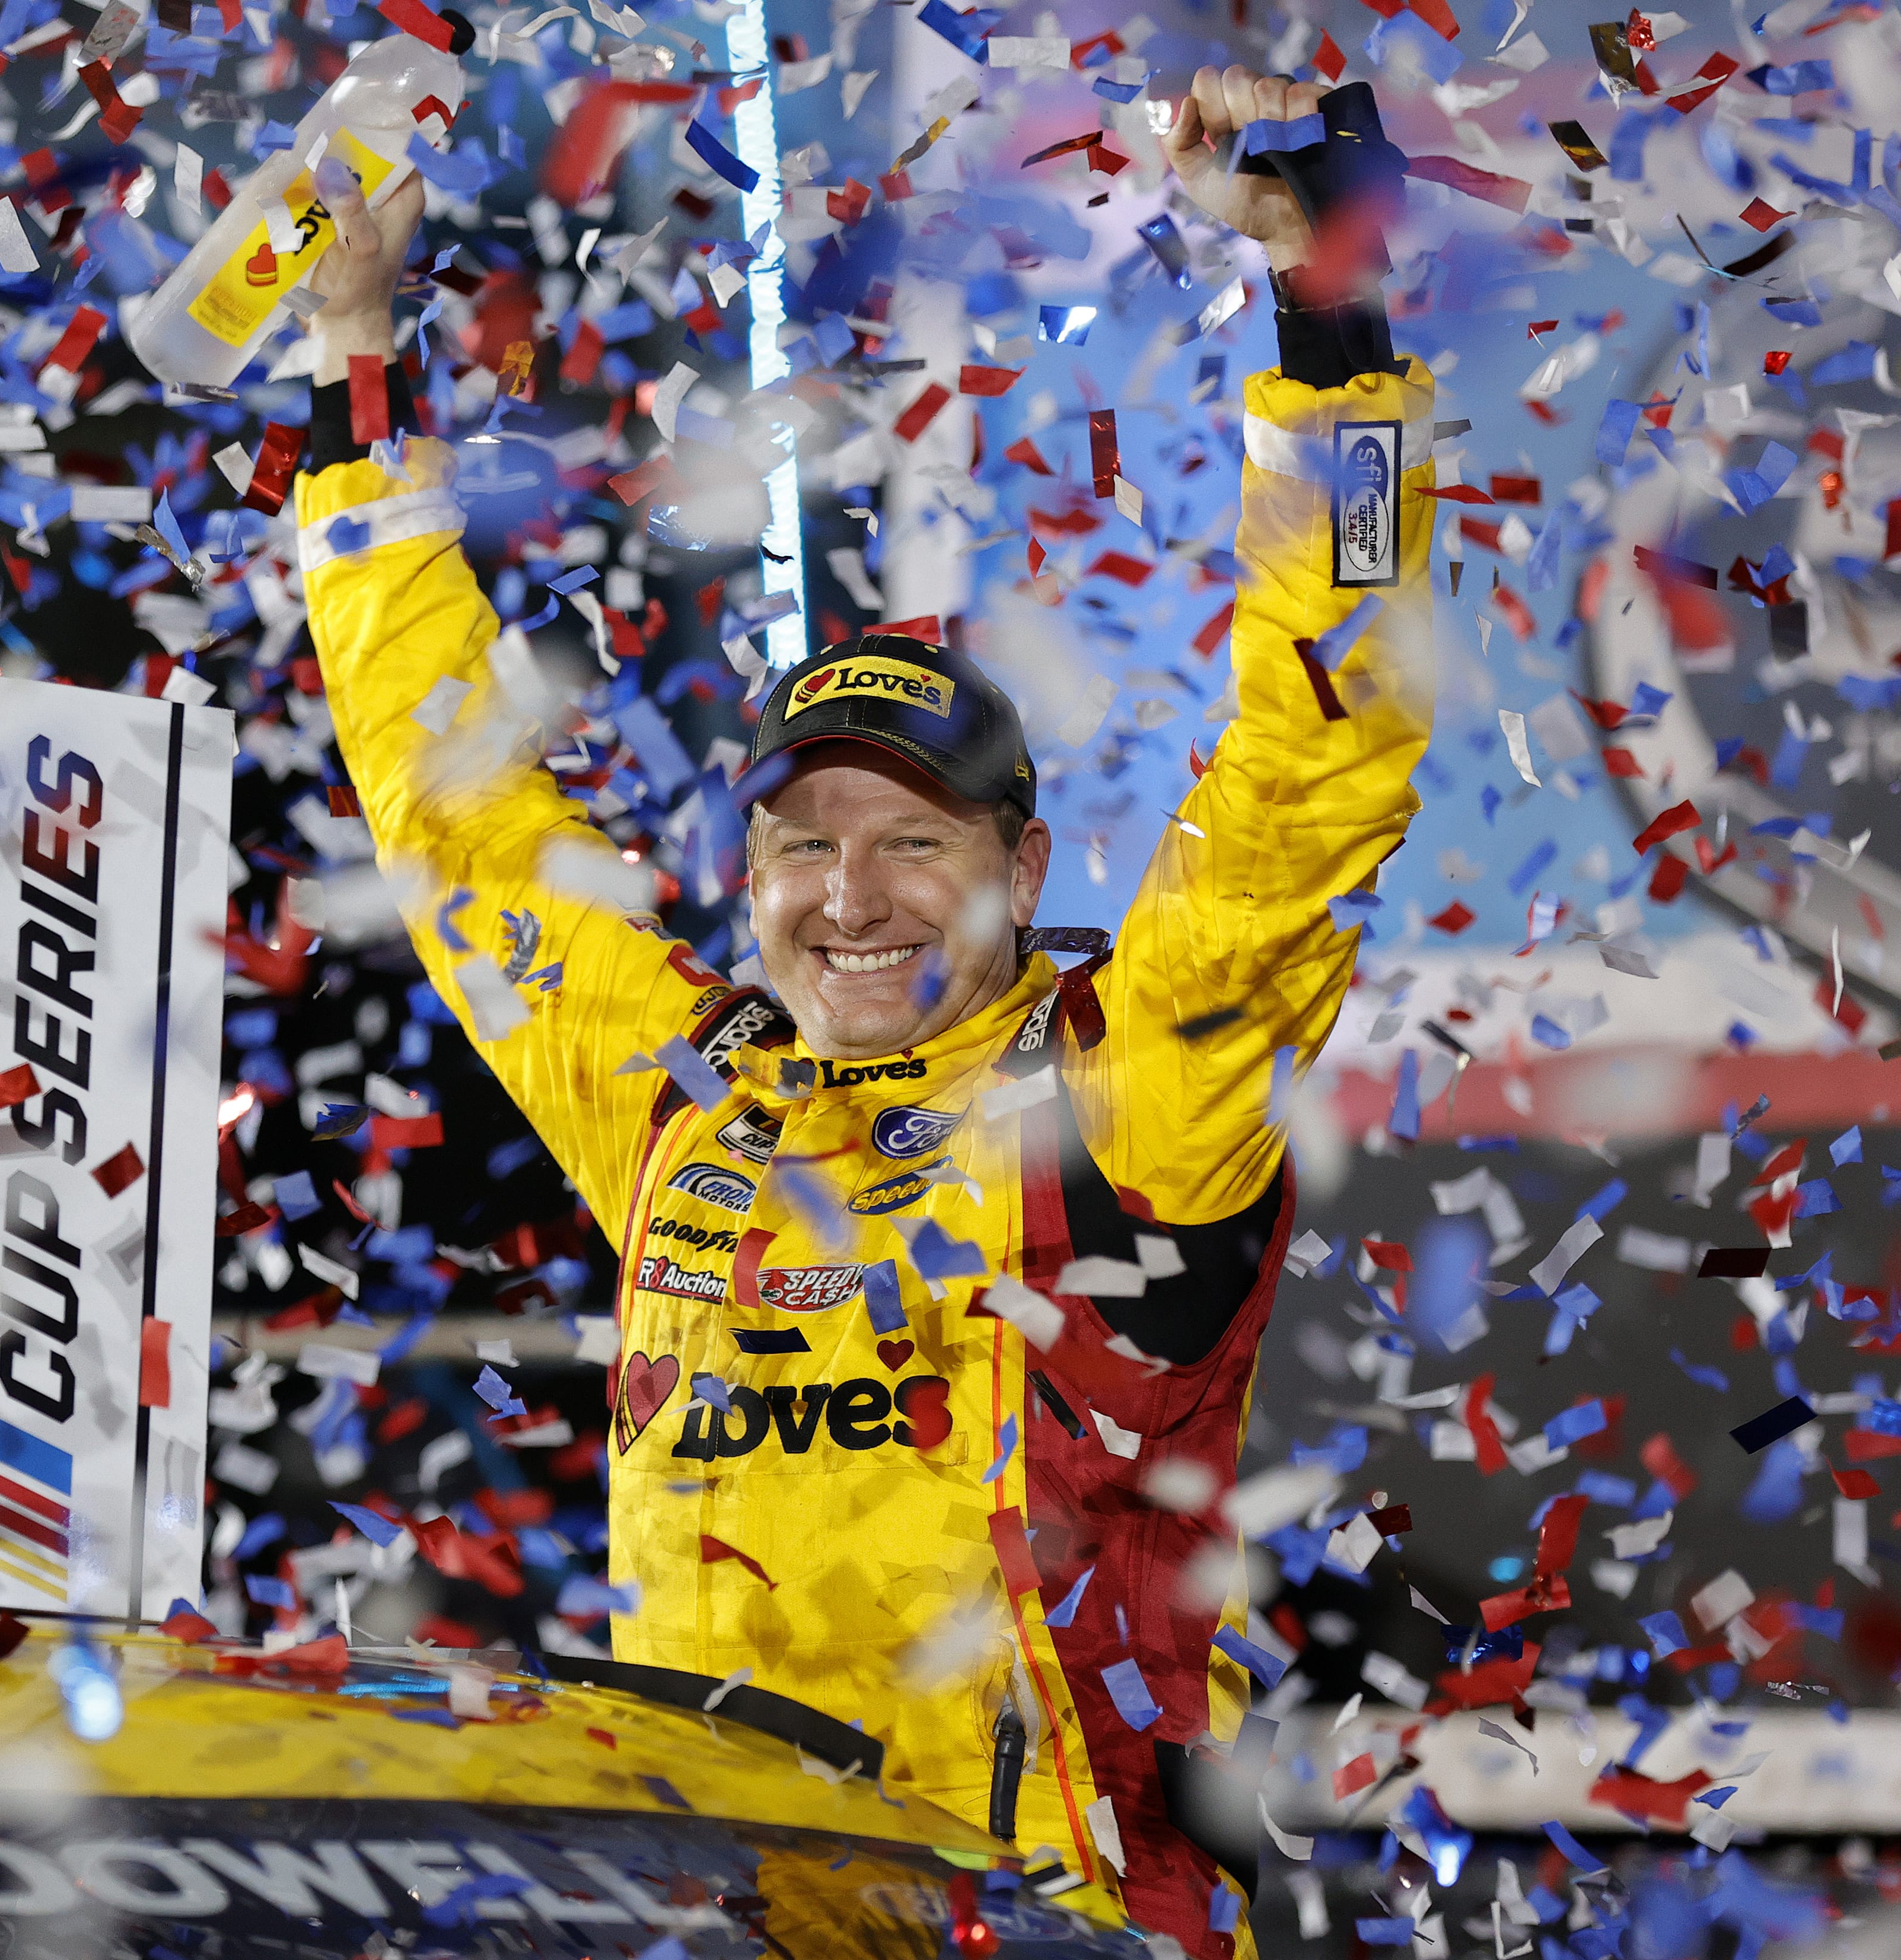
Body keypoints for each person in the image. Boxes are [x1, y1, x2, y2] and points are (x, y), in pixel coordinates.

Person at [295, 66, 1431, 1955]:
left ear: (1018, 856)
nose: (849, 897)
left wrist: (1330, 309)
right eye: (803, 843)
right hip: (709, 1922)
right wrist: (359, 377)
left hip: (1051, 1928)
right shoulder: (677, 1100)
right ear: (743, 877)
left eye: (913, 844)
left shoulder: (1125, 1096)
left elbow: (1329, 750)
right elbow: (458, 823)